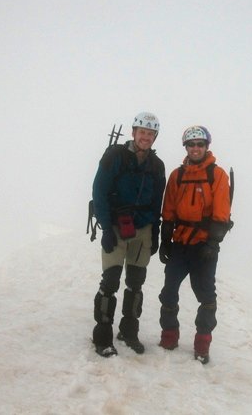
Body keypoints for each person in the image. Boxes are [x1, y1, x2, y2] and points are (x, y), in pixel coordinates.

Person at [91, 112, 166, 357]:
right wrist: (104, 228)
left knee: (136, 283)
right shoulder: (115, 156)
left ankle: (128, 331)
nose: (146, 137)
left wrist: (155, 233)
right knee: (111, 281)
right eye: (142, 132)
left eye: (150, 133)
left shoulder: (157, 165)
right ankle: (102, 336)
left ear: (155, 137)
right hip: (115, 225)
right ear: (133, 133)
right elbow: (99, 192)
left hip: (143, 229)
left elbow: (157, 203)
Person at [158, 125, 232, 364]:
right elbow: (168, 209)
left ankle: (203, 342)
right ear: (186, 147)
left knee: (206, 295)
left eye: (200, 144)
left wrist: (213, 242)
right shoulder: (177, 176)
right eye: (191, 145)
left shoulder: (217, 175)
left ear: (206, 146)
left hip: (203, 246)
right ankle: (169, 334)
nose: (196, 148)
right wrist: (165, 240)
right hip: (180, 242)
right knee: (169, 291)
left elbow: (222, 211)